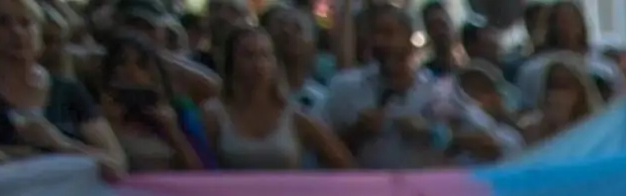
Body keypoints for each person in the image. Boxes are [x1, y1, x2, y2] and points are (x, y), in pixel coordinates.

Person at [323, 2, 515, 169]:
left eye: (389, 33)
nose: (381, 43)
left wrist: (437, 135)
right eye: (374, 35)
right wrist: (357, 132)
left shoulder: (441, 92)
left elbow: (497, 147)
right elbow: (316, 153)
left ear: (409, 39)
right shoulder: (345, 88)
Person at [0, 0, 121, 174]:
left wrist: (59, 144)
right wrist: (11, 156)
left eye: (26, 23)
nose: (17, 31)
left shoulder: (68, 91)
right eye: (3, 22)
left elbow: (116, 163)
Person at [205, 21, 352, 168]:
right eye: (248, 55)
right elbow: (199, 171)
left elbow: (345, 166)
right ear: (231, 62)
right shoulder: (215, 115)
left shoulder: (295, 117)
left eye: (265, 55)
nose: (259, 64)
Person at [100, 32, 205, 168]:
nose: (131, 72)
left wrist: (172, 131)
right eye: (122, 63)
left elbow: (200, 174)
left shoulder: (178, 113)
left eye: (140, 65)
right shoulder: (98, 116)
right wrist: (110, 124)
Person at [516, 51, 596, 143]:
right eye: (553, 86)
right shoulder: (531, 130)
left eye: (564, 86)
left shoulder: (594, 128)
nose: (556, 94)